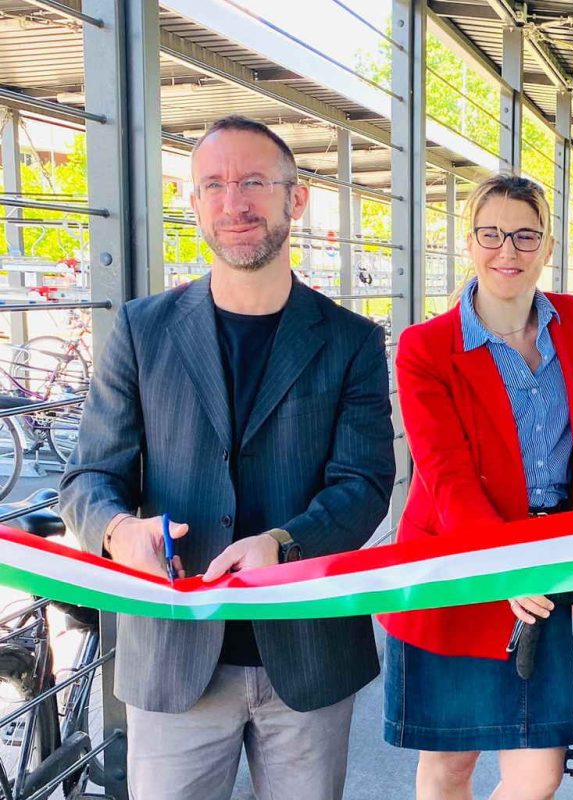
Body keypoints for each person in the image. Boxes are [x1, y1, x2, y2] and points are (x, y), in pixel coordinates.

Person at [59, 115, 396, 800]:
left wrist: (282, 542)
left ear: (295, 199)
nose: (233, 202)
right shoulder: (141, 330)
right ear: (194, 203)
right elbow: (90, 477)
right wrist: (122, 532)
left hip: (308, 657)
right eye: (213, 184)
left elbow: (363, 485)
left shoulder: (351, 340)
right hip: (172, 659)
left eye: (252, 182)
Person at [377, 174, 573, 800]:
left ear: (548, 245)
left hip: (547, 562)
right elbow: (445, 474)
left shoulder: (571, 319)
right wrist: (506, 569)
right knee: (452, 765)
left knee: (538, 773)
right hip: (458, 568)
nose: (508, 250)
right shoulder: (427, 347)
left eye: (525, 235)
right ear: (470, 243)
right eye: (492, 234)